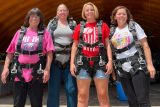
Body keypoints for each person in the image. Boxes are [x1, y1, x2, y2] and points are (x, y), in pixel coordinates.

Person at [1, 8, 54, 107]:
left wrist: (47, 69)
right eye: (32, 16)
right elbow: (10, 52)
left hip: (36, 74)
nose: (34, 18)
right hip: (19, 74)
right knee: (18, 104)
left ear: (40, 19)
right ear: (28, 18)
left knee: (37, 104)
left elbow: (50, 53)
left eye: (37, 16)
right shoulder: (20, 33)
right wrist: (5, 68)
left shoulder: (45, 33)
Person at [110, 6, 156, 107]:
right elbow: (112, 53)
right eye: (119, 14)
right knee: (131, 100)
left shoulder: (133, 26)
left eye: (124, 14)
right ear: (114, 17)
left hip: (137, 65)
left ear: (127, 16)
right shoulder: (112, 31)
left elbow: (145, 46)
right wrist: (113, 71)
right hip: (121, 68)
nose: (121, 15)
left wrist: (150, 65)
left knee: (142, 100)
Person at [70, 2, 113, 107]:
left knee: (103, 95)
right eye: (87, 10)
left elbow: (108, 45)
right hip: (82, 63)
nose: (89, 12)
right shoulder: (79, 27)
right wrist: (72, 63)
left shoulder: (103, 26)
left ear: (95, 11)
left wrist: (110, 61)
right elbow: (74, 46)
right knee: (82, 95)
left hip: (100, 62)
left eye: (91, 9)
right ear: (84, 13)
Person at [47, 4, 77, 107]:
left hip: (69, 61)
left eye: (64, 10)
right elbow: (47, 41)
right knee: (53, 90)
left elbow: (77, 41)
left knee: (71, 89)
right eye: (60, 10)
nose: (62, 12)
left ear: (68, 12)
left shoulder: (73, 24)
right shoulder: (52, 24)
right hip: (55, 61)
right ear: (57, 12)